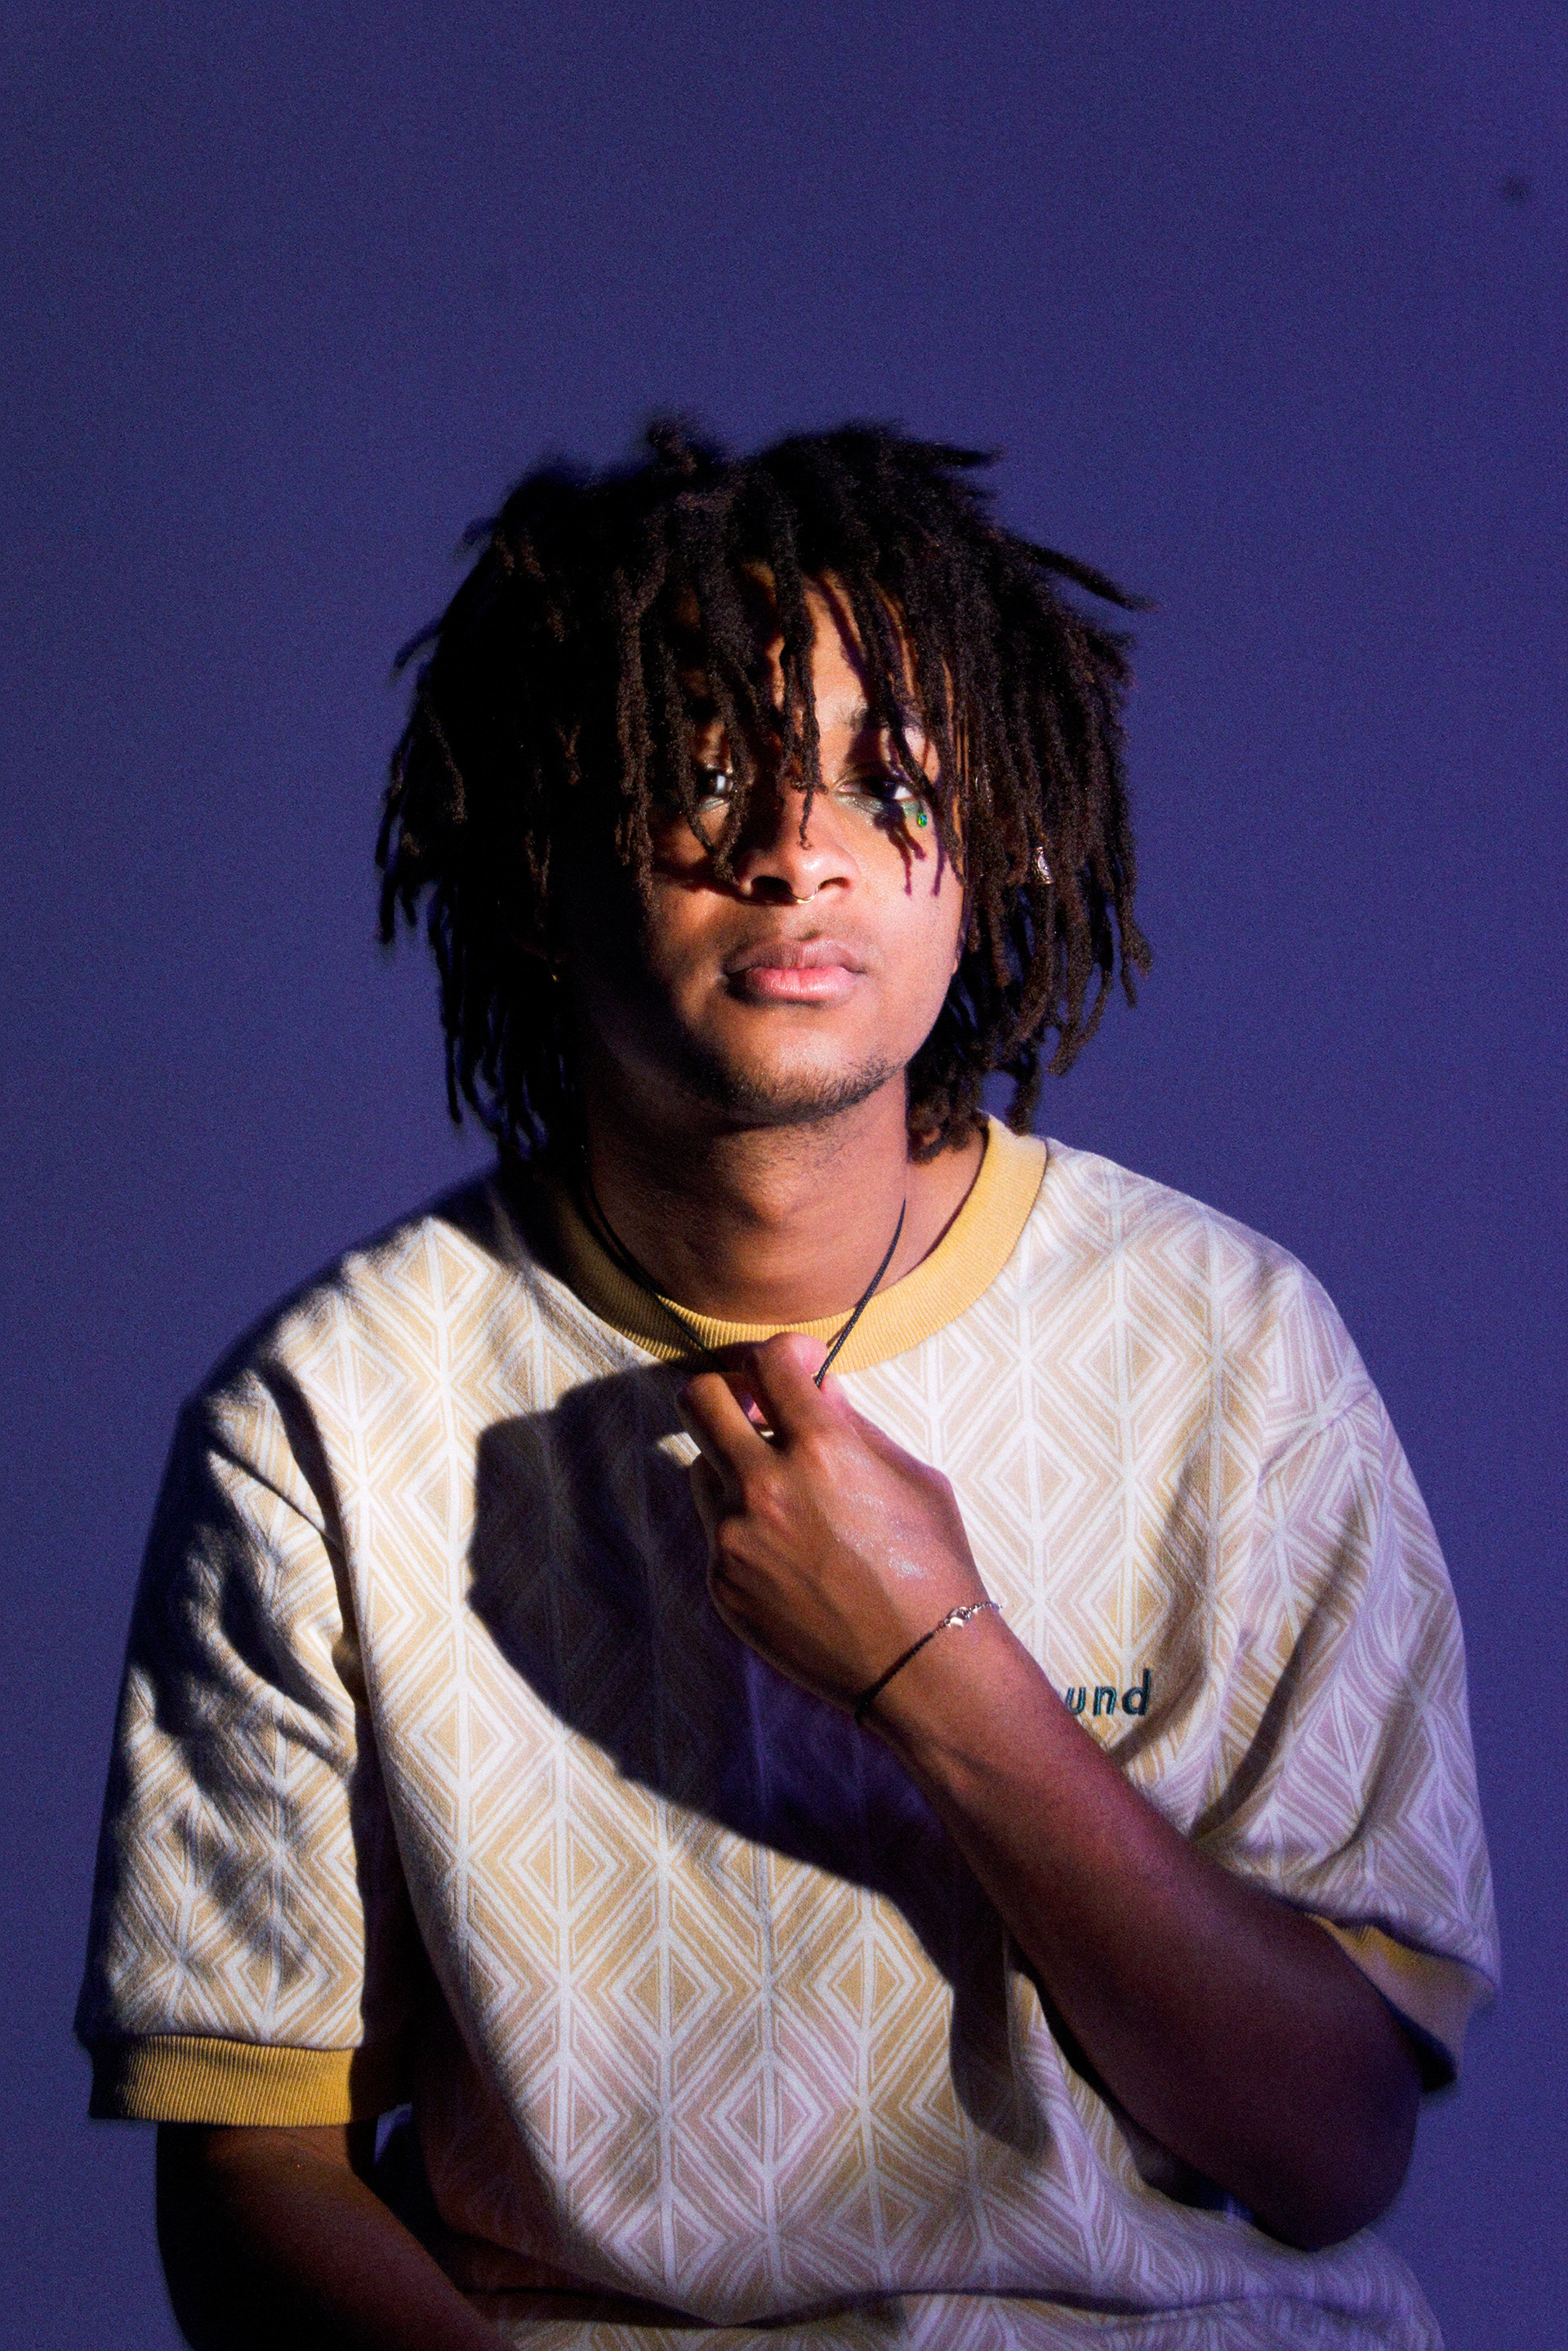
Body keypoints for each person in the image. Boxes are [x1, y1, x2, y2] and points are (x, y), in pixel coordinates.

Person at [78, 425, 1497, 2350]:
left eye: (885, 779)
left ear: (996, 846)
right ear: (536, 861)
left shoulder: (1235, 1350)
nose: (795, 851)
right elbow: (256, 2178)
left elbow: (1330, 2148)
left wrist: (937, 1666)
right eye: (703, 774)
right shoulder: (323, 1426)